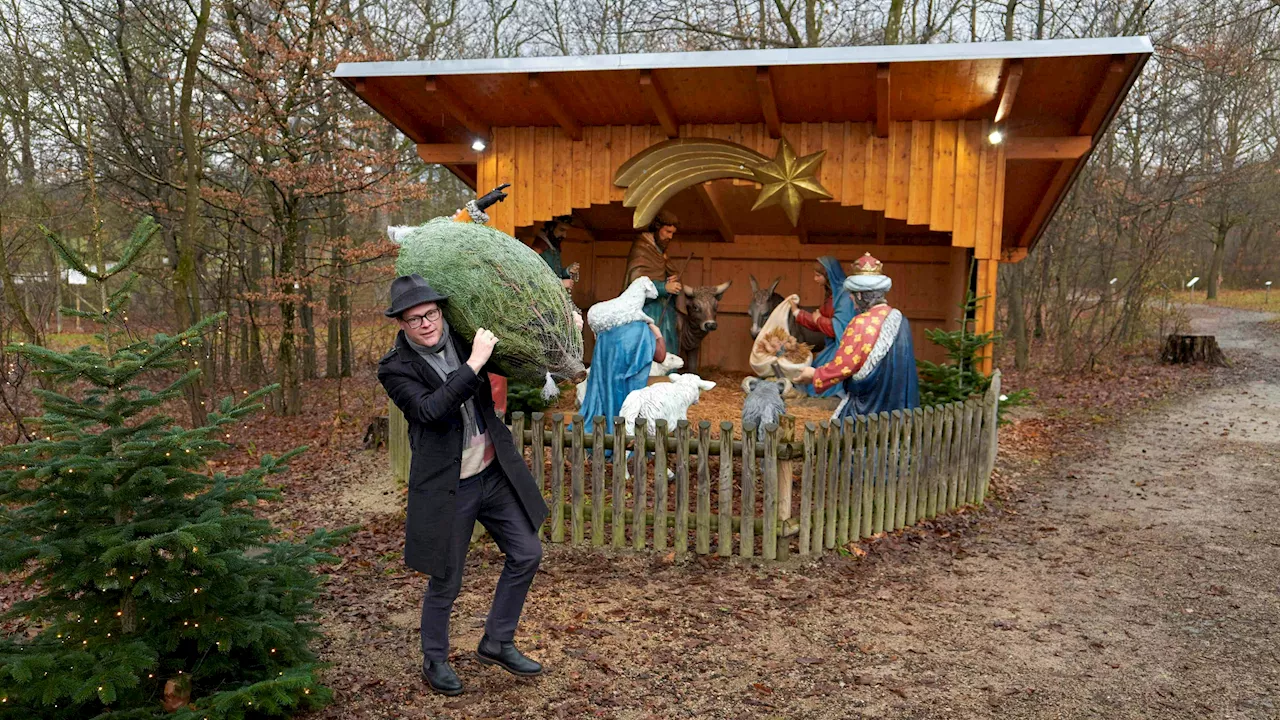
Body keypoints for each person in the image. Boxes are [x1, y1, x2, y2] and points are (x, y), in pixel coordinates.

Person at [377, 273, 548, 697]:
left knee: (527, 553)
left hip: (492, 472)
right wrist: (473, 364)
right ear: (402, 323)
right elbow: (431, 410)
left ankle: (497, 641)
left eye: (431, 313)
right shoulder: (395, 368)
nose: (426, 324)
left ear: (441, 311)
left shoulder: (466, 335)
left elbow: (518, 353)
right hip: (449, 486)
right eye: (414, 319)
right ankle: (434, 658)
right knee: (446, 579)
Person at [796, 253, 920, 418]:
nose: (851, 300)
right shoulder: (900, 319)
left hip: (868, 406)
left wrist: (813, 375)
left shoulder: (861, 323)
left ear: (861, 295)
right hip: (898, 404)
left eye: (853, 295)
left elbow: (844, 365)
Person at [579, 317, 666, 426]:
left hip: (605, 398)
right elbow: (660, 356)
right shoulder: (643, 330)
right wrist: (657, 334)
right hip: (632, 399)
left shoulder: (606, 329)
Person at [791, 256, 856, 398]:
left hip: (843, 347)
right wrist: (798, 313)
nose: (815, 279)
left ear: (829, 275)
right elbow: (818, 321)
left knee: (824, 372)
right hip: (832, 345)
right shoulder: (832, 295)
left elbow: (838, 328)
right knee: (816, 366)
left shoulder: (844, 297)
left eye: (818, 275)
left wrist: (819, 319)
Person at [623, 210, 681, 352]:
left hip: (664, 311)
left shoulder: (660, 251)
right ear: (657, 227)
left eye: (672, 233)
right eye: (667, 231)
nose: (670, 237)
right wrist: (664, 287)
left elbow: (664, 271)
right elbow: (636, 284)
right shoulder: (642, 249)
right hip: (646, 311)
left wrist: (673, 278)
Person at [530, 216, 579, 291]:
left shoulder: (552, 247)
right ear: (551, 228)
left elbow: (555, 273)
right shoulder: (539, 248)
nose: (564, 235)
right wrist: (560, 284)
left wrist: (568, 271)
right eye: (561, 230)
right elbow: (533, 281)